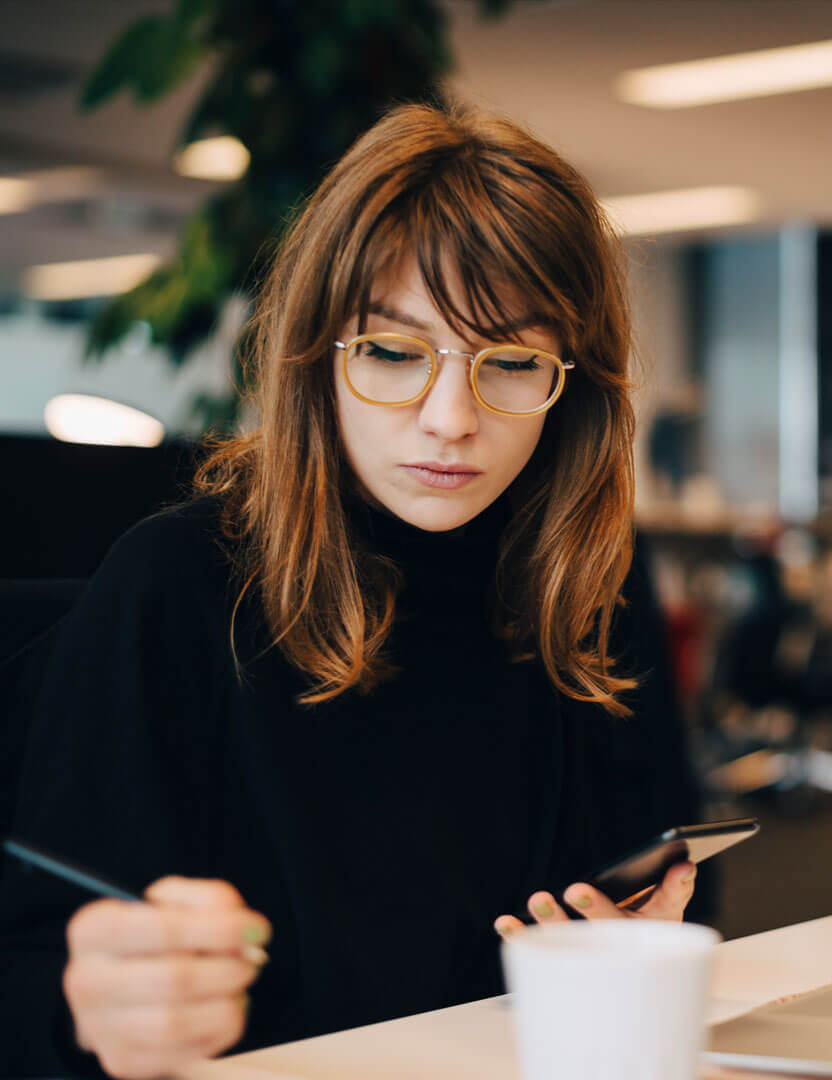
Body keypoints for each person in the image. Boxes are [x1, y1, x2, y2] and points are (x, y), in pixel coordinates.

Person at [0, 104, 701, 1079]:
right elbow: (30, 978)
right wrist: (97, 1016)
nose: (451, 419)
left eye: (509, 362)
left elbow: (679, 884)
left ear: (571, 382)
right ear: (313, 357)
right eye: (392, 352)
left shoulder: (594, 584)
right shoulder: (180, 587)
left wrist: (642, 942)